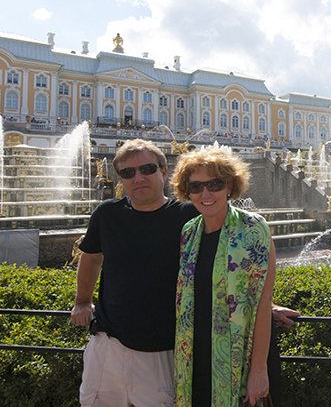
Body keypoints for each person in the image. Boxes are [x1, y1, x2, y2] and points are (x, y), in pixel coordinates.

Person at [72, 139, 200, 407]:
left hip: (162, 348)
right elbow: (92, 258)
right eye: (128, 173)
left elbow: (226, 262)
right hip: (107, 345)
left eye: (147, 169)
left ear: (164, 172)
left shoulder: (189, 215)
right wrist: (82, 300)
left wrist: (262, 305)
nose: (138, 178)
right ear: (120, 178)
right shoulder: (107, 214)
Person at [170, 147, 276, 407]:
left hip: (240, 360)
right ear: (187, 191)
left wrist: (259, 371)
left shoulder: (253, 228)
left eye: (214, 184)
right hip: (194, 357)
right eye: (195, 186)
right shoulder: (188, 232)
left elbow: (263, 304)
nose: (205, 194)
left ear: (230, 186)